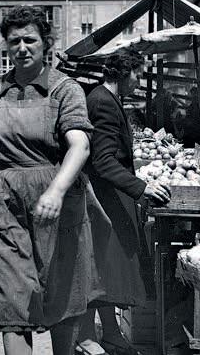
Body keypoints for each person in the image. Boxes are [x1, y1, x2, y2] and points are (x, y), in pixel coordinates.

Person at [0, 6, 111, 354]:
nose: (22, 48)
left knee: (62, 295)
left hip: (58, 199)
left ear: (46, 43)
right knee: (11, 299)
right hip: (5, 202)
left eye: (30, 40)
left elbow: (80, 145)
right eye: (14, 42)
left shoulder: (65, 89)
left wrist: (55, 191)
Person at [78, 50, 171, 355]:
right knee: (98, 267)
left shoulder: (106, 98)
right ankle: (86, 336)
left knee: (109, 270)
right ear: (124, 71)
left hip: (109, 195)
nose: (138, 81)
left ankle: (111, 333)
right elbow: (103, 160)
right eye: (137, 74)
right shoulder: (103, 102)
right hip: (103, 198)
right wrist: (141, 188)